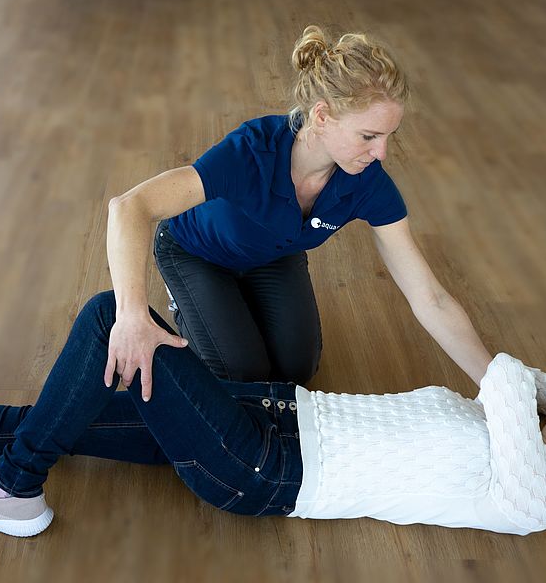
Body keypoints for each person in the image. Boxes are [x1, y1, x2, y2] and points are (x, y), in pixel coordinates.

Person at [0, 292, 546, 538]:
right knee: (65, 409)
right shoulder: (511, 432)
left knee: (113, 318)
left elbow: (513, 379)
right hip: (269, 413)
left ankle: (13, 488)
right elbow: (526, 386)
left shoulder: (534, 501)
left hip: (262, 469)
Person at [106, 25, 493, 400]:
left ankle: (239, 304)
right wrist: (131, 315)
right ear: (322, 117)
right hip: (197, 253)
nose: (381, 153)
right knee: (244, 373)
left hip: (271, 255)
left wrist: (496, 386)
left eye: (389, 136)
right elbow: (129, 207)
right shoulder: (250, 153)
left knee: (297, 369)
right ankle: (188, 301)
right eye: (369, 136)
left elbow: (431, 298)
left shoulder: (367, 182)